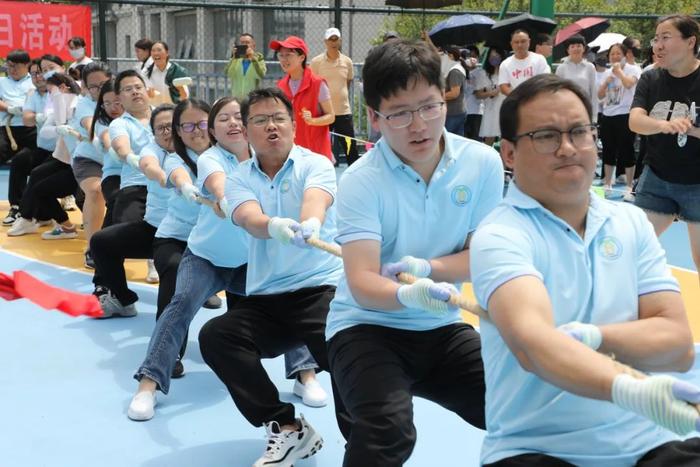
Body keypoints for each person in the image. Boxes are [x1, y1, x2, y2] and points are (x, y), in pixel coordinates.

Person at [470, 72, 700, 467]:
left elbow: (676, 345)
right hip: (539, 450)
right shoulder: (501, 235)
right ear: (508, 154)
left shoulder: (630, 223)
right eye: (545, 136)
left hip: (651, 443)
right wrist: (629, 388)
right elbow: (536, 349)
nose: (567, 148)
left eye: (579, 131)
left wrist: (594, 336)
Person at [325, 39, 502, 467]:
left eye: (429, 106)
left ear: (445, 100)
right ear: (374, 117)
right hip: (366, 327)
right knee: (388, 431)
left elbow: (483, 256)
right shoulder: (360, 181)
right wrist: (409, 293)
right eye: (400, 114)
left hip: (441, 327)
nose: (419, 125)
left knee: (517, 408)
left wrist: (429, 269)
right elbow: (364, 284)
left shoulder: (482, 163)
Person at [199, 87, 347, 467]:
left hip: (321, 288)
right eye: (260, 120)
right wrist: (274, 225)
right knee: (217, 336)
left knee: (349, 353)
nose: (271, 127)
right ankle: (286, 427)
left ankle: (363, 443)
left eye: (278, 118)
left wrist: (310, 221)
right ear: (246, 131)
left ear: (294, 125)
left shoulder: (317, 164)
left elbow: (317, 200)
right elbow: (248, 217)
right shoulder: (238, 178)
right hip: (266, 298)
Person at [629, 14, 700, 285]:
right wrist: (664, 124)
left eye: (666, 38)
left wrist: (692, 130)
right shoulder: (650, 78)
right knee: (631, 248)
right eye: (656, 38)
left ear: (690, 41)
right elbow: (635, 121)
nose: (657, 45)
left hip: (697, 183)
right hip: (657, 178)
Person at [8, 72, 80, 238]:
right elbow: (46, 133)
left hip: (80, 162)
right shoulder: (56, 106)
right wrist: (57, 127)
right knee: (36, 174)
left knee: (49, 190)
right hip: (62, 157)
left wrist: (61, 114)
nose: (50, 95)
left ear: (63, 87)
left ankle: (77, 227)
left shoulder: (77, 105)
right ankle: (28, 217)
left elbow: (68, 125)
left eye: (51, 91)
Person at [68, 62, 112, 261]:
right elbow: (89, 124)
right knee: (95, 191)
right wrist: (102, 139)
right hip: (90, 159)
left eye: (104, 83)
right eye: (93, 86)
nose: (99, 89)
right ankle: (92, 248)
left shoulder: (123, 97)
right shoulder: (84, 103)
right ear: (85, 88)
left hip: (121, 162)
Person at [271, 35, 335, 162]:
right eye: (281, 55)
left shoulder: (317, 84)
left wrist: (313, 121)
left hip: (316, 154)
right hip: (290, 154)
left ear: (301, 57)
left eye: (288, 55)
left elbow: (331, 116)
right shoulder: (280, 86)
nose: (284, 59)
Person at [597, 42, 641, 199]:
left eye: (618, 54)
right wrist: (606, 82)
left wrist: (619, 73)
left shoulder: (633, 69)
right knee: (608, 150)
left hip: (625, 114)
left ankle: (630, 187)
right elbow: (600, 95)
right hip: (608, 115)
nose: (615, 57)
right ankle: (608, 184)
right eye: (612, 54)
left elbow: (629, 84)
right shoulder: (608, 72)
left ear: (625, 55)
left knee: (627, 151)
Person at [310, 27, 359, 165]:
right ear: (325, 41)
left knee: (350, 148)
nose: (333, 42)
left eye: (336, 39)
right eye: (330, 39)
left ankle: (354, 174)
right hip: (323, 114)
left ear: (340, 41)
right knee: (320, 149)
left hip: (343, 112)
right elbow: (313, 85)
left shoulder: (347, 61)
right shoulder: (316, 62)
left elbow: (348, 82)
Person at [0, 49, 36, 225]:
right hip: (6, 129)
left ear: (27, 66)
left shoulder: (34, 82)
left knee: (20, 163)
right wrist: (8, 108)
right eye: (10, 65)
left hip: (31, 130)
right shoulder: (2, 81)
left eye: (16, 66)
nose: (12, 69)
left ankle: (17, 206)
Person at [555, 34, 598, 118]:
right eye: (572, 46)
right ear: (568, 50)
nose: (576, 49)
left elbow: (594, 92)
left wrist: (594, 117)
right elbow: (558, 92)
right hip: (566, 110)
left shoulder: (590, 67)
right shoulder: (561, 68)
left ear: (583, 48)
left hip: (585, 109)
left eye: (579, 46)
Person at [499, 29, 550, 96]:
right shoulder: (505, 64)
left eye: (523, 41)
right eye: (516, 42)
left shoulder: (539, 59)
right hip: (516, 102)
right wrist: (517, 97)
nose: (520, 45)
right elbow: (503, 86)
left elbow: (545, 80)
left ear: (529, 41)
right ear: (511, 44)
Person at [476, 48, 507, 147]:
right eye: (492, 56)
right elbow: (478, 94)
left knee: (506, 137)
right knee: (489, 139)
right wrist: (491, 93)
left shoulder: (507, 72)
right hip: (491, 110)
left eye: (496, 56)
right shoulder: (484, 74)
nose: (494, 59)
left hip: (505, 108)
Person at [225, 33, 266, 100]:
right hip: (236, 98)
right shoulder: (235, 59)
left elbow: (261, 75)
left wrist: (253, 58)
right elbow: (228, 73)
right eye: (242, 43)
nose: (244, 45)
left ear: (253, 45)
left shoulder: (259, 58)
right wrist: (233, 58)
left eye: (247, 42)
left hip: (252, 99)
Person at [443, 45, 468, 136]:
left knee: (447, 140)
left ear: (451, 56)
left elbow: (454, 93)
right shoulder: (455, 68)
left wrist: (438, 97)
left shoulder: (455, 71)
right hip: (457, 111)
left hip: (453, 112)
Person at [462, 45, 484, 140]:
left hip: (477, 111)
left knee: (476, 140)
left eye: (474, 56)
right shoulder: (460, 71)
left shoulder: (481, 72)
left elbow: (480, 90)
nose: (471, 59)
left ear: (478, 58)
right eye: (469, 56)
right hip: (463, 112)